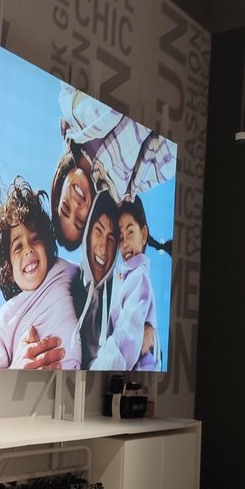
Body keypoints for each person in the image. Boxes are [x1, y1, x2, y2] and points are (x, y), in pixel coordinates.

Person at [51, 84, 176, 250]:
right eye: (80, 220)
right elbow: (168, 157)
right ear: (90, 220)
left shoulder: (70, 111)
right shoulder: (127, 186)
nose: (75, 204)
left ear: (59, 190)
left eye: (66, 207)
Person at [0, 177, 80, 370]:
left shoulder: (65, 270)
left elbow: (99, 284)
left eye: (35, 239)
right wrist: (15, 370)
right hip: (27, 386)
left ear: (48, 248)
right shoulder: (4, 318)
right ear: (9, 271)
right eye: (18, 247)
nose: (28, 249)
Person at [92, 197, 171, 371]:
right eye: (120, 237)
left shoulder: (138, 278)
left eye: (130, 232)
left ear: (143, 235)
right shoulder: (127, 278)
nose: (125, 244)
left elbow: (126, 341)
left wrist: (96, 369)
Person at [70, 190, 120, 368]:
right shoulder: (66, 280)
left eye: (111, 239)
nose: (103, 248)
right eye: (98, 231)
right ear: (87, 233)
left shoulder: (121, 297)